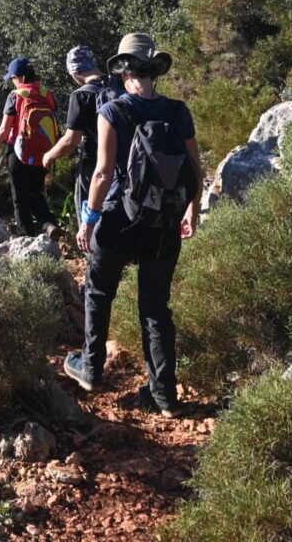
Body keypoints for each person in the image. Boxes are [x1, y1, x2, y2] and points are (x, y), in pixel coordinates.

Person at [63, 33, 202, 419]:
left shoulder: (113, 111)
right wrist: (192, 210)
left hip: (120, 220)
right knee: (155, 308)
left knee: (98, 290)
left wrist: (88, 220)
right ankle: (164, 396)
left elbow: (103, 173)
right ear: (155, 70)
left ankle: (90, 368)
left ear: (122, 69)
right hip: (165, 223)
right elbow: (195, 169)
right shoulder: (178, 111)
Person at [40, 45, 120, 219]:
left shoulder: (80, 95)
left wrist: (50, 155)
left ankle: (88, 244)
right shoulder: (119, 84)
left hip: (93, 166)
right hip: (124, 163)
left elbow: (71, 140)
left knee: (90, 213)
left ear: (74, 72)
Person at [0, 57, 60, 236]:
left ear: (20, 77)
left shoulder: (16, 95)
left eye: (12, 78)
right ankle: (48, 224)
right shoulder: (46, 93)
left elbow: (4, 129)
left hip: (19, 153)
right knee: (37, 192)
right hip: (44, 153)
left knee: (20, 197)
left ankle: (26, 235)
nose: (12, 82)